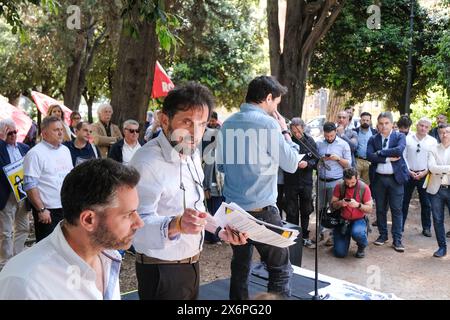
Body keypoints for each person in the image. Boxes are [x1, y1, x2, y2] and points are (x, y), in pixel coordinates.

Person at [130, 82, 247, 300]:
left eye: (202, 124)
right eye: (187, 122)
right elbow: (135, 228)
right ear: (165, 120)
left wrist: (220, 229)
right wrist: (176, 225)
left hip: (191, 264)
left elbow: (196, 210)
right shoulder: (146, 163)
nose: (195, 132)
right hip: (161, 271)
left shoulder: (191, 154)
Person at [0, 159, 144, 299]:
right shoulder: (26, 284)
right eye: (128, 214)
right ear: (88, 220)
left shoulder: (108, 256)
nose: (139, 223)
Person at [217, 75, 304, 300]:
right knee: (280, 269)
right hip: (262, 209)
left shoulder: (227, 123)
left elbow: (222, 167)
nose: (276, 108)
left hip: (234, 209)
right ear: (267, 98)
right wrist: (285, 131)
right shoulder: (268, 123)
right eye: (276, 103)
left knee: (240, 267)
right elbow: (292, 164)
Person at [23, 116, 73, 242]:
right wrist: (41, 209)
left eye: (61, 129)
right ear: (44, 133)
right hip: (48, 211)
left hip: (66, 207)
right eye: (56, 130)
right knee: (47, 248)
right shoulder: (35, 153)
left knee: (66, 245)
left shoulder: (65, 150)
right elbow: (30, 185)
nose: (61, 132)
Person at [367, 112, 409, 252]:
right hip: (378, 179)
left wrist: (380, 153)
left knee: (397, 210)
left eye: (386, 123)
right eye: (381, 123)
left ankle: (397, 240)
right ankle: (383, 235)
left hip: (395, 179)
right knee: (380, 209)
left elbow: (399, 150)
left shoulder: (399, 136)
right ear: (377, 125)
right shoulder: (373, 139)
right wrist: (388, 158)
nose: (383, 126)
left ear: (392, 124)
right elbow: (369, 156)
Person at [0, 119, 30, 270]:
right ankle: (5, 262)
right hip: (6, 195)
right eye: (9, 132)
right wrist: (1, 141)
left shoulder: (24, 148)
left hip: (23, 194)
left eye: (14, 132)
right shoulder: (0, 148)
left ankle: (17, 257)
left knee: (24, 227)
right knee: (6, 232)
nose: (12, 135)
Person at [283, 118, 318, 248]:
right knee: (291, 210)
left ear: (303, 128)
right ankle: (293, 236)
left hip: (306, 181)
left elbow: (316, 161)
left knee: (306, 209)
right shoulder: (287, 141)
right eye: (294, 130)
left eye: (298, 130)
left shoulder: (310, 141)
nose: (296, 133)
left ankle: (304, 235)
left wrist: (307, 164)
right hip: (290, 181)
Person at [401, 118, 437, 236]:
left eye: (426, 127)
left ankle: (426, 228)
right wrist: (409, 170)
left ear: (429, 128)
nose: (423, 128)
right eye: (421, 125)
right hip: (409, 174)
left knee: (426, 203)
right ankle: (400, 226)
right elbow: (403, 156)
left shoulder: (432, 141)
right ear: (417, 125)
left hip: (425, 175)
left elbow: (433, 159)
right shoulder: (407, 139)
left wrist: (425, 172)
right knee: (404, 201)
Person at [330, 168, 373, 258]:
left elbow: (369, 209)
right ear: (344, 179)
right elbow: (332, 205)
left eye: (352, 183)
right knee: (339, 254)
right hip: (342, 220)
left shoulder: (364, 187)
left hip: (359, 219)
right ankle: (340, 239)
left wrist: (358, 205)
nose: (349, 185)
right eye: (347, 183)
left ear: (357, 178)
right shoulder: (339, 186)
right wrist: (341, 203)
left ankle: (361, 246)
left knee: (357, 233)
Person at [426, 124, 450, 257]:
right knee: (437, 219)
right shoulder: (432, 149)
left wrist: (439, 168)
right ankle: (442, 247)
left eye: (447, 132)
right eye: (442, 133)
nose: (444, 135)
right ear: (438, 134)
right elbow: (431, 168)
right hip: (436, 190)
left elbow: (436, 168)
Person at [353, 112, 377, 185]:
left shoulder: (374, 132)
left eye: (367, 120)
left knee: (366, 185)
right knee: (355, 183)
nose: (365, 122)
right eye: (363, 120)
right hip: (357, 161)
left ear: (370, 121)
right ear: (360, 120)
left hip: (368, 162)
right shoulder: (355, 131)